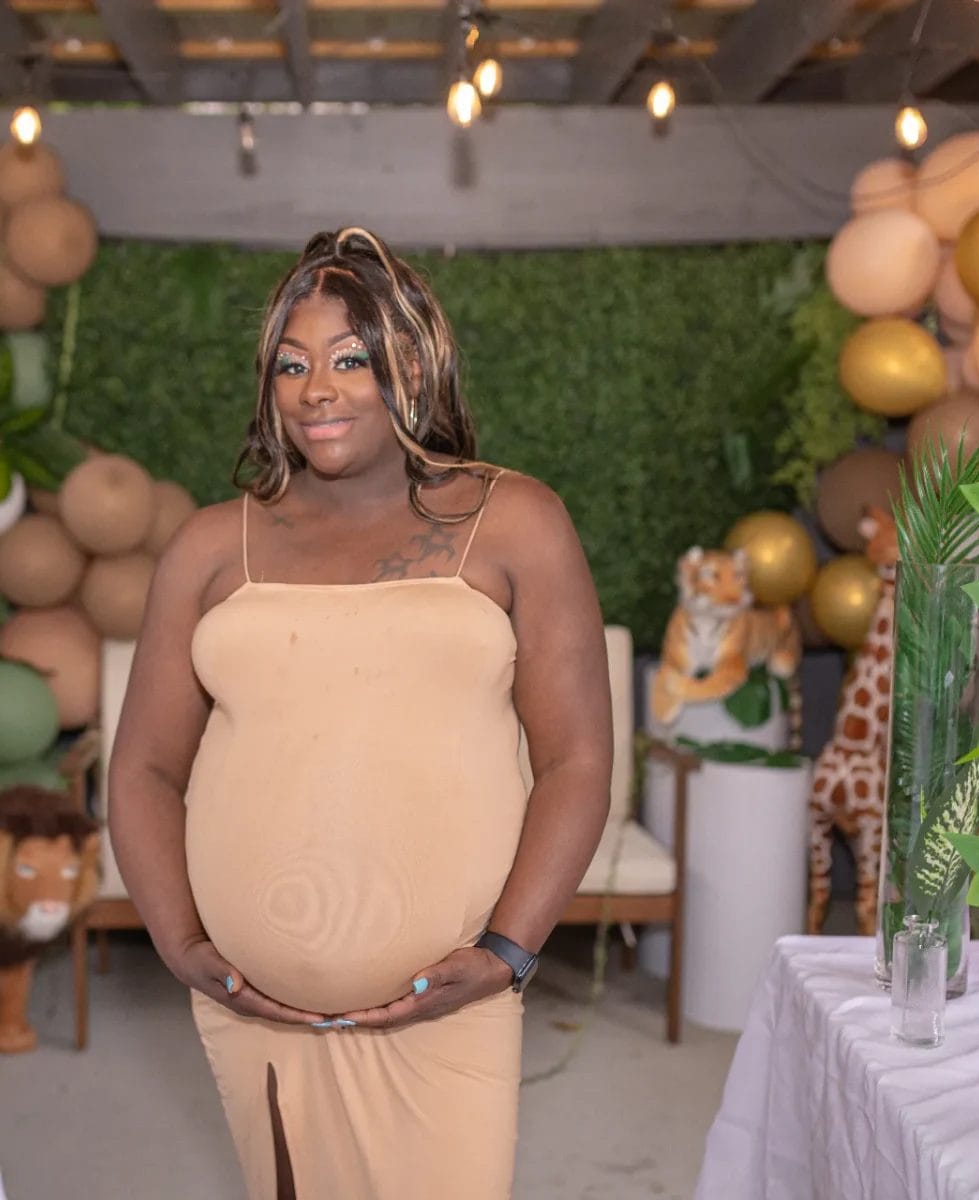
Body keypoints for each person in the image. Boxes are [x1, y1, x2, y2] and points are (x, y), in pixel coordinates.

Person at [106, 227, 613, 1200]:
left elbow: (578, 760)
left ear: (412, 364)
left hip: (451, 1006)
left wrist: (508, 952)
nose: (316, 389)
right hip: (253, 1011)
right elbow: (143, 769)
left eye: (349, 358)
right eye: (291, 365)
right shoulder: (213, 546)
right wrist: (181, 944)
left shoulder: (514, 522)